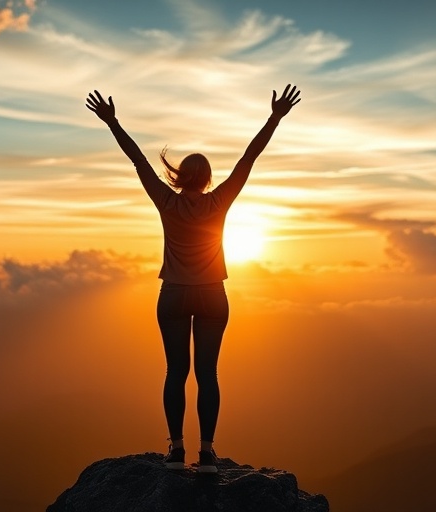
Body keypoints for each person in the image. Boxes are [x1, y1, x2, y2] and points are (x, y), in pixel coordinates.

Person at [85, 84, 301, 473]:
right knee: (208, 374)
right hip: (213, 297)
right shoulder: (219, 202)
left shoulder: (167, 202)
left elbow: (138, 161)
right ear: (207, 179)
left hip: (173, 295)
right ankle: (206, 453)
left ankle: (175, 450)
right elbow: (249, 159)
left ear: (181, 177)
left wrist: (112, 122)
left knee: (175, 372)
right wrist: (275, 118)